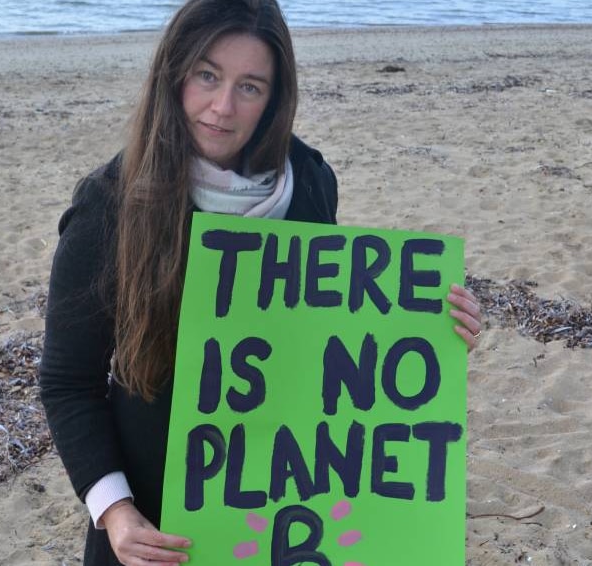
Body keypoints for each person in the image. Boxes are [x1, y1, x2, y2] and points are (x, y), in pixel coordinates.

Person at [39, 0, 482, 564]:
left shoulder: (311, 183)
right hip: (152, 525)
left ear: (275, 98)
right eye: (207, 76)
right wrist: (114, 511)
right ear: (173, 73)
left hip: (288, 512)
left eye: (250, 87)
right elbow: (67, 382)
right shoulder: (110, 204)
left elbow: (333, 333)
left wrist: (435, 328)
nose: (222, 107)